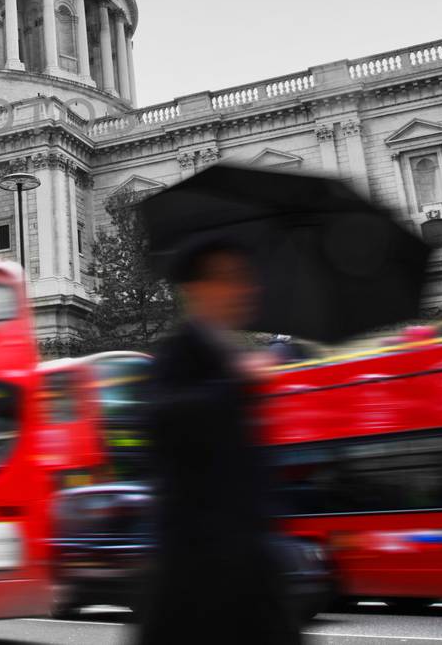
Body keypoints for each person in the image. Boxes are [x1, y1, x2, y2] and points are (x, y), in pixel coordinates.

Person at [135, 241, 298, 644]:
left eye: (244, 279)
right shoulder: (179, 352)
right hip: (198, 574)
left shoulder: (225, 353)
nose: (244, 289)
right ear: (196, 290)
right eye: (229, 278)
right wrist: (237, 383)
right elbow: (161, 420)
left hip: (248, 567)